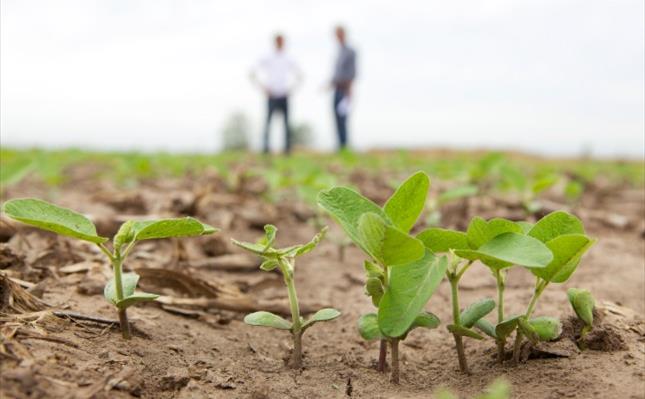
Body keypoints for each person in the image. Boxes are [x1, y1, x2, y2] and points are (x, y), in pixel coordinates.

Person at [250, 33, 302, 155]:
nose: (280, 43)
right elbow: (252, 72)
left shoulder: (289, 58)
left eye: (281, 41)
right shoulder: (268, 57)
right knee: (268, 123)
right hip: (272, 95)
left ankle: (287, 149)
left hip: (284, 95)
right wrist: (263, 88)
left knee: (286, 124)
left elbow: (300, 75)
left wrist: (291, 89)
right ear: (275, 42)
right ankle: (266, 148)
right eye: (278, 41)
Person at [330, 25, 357, 151]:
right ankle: (340, 145)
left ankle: (345, 146)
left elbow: (352, 72)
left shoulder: (350, 51)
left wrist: (349, 90)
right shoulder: (339, 51)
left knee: (343, 119)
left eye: (339, 34)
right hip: (336, 88)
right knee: (336, 118)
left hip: (344, 89)